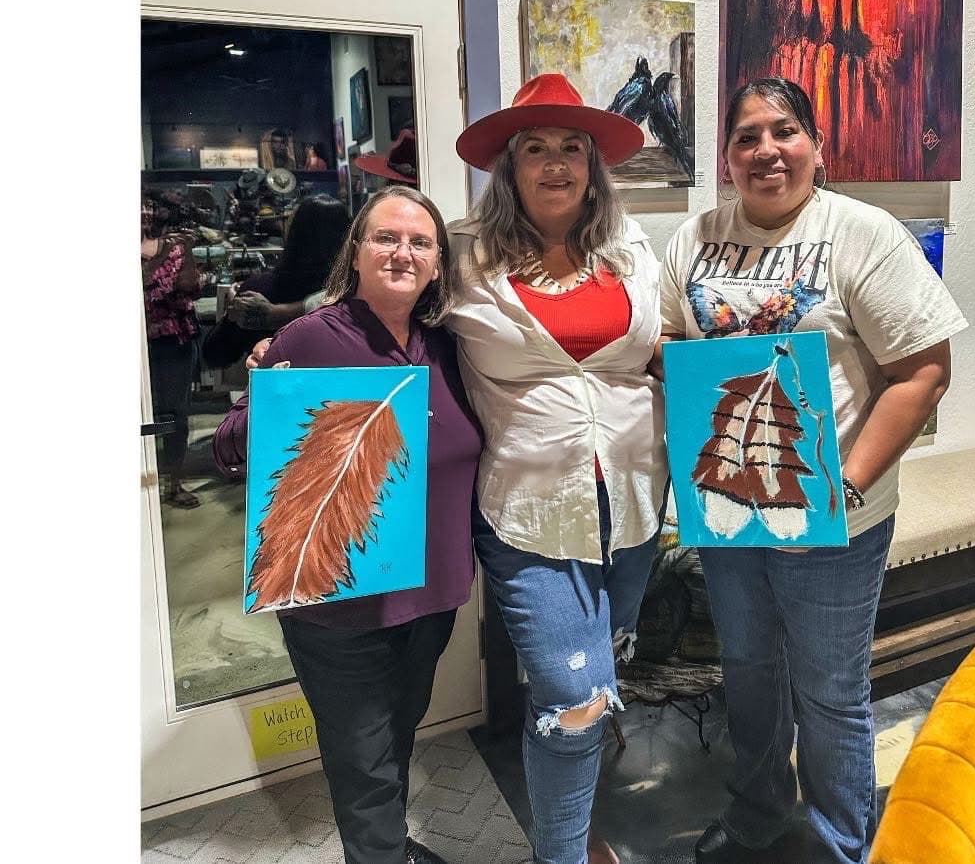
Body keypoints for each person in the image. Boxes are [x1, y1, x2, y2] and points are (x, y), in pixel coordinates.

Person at [656, 79, 967, 864]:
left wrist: (844, 487)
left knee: (829, 692)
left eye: (783, 131)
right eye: (746, 137)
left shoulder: (863, 234)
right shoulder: (692, 239)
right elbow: (664, 341)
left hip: (836, 520)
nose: (766, 150)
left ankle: (837, 842)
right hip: (728, 504)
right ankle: (759, 809)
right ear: (725, 157)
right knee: (747, 669)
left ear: (815, 146)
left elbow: (924, 372)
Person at [213, 187, 483, 864]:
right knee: (360, 758)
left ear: (439, 264)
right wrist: (280, 402)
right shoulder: (311, 336)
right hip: (336, 599)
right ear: (356, 252)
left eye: (420, 242)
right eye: (385, 238)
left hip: (431, 593)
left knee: (395, 736)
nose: (402, 252)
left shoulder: (450, 344)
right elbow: (229, 442)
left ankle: (385, 849)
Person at [445, 73, 668, 864]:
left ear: (591, 165)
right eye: (533, 149)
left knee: (603, 680)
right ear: (507, 168)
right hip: (529, 510)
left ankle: (574, 826)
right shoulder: (463, 254)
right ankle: (562, 855)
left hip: (635, 504)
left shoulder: (629, 246)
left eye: (570, 148)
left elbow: (660, 349)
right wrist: (296, 347)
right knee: (572, 698)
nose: (554, 164)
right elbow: (380, 316)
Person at [202, 194, 349, 369]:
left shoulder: (259, 291)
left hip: (278, 393)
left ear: (295, 233)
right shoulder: (360, 291)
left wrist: (234, 314)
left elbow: (215, 356)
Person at [142, 189, 203, 509]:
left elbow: (190, 288)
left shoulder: (179, 247)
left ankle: (173, 483)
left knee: (176, 414)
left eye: (151, 207)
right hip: (142, 340)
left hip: (173, 340)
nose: (146, 214)